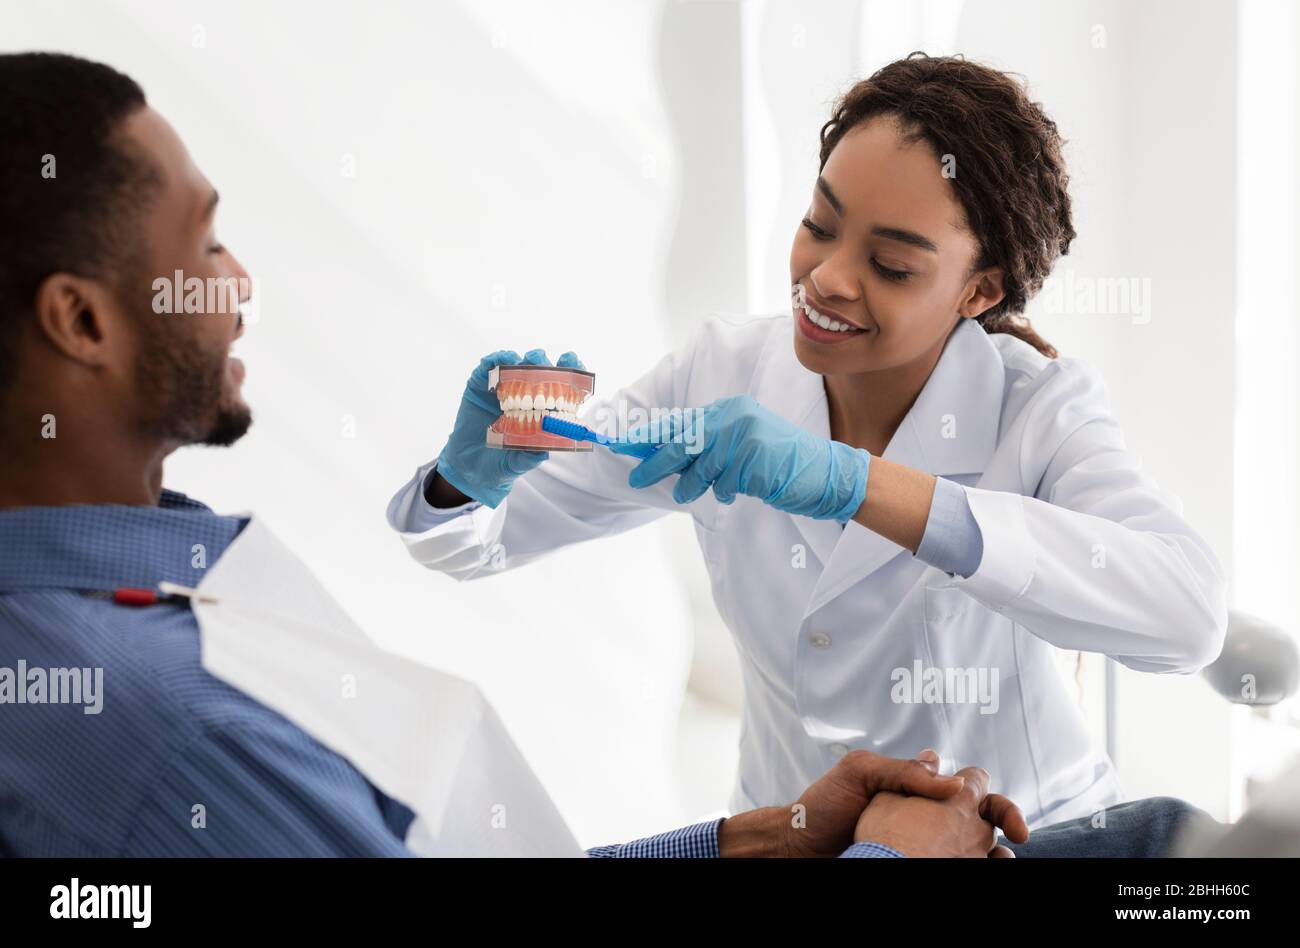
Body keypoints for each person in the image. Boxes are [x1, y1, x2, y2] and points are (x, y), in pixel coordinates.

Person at [0, 50, 1043, 859]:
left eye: (894, 261)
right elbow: (509, 521)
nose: (238, 284)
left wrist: (765, 837)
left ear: (979, 291)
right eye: (204, 244)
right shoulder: (166, 728)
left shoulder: (134, 580)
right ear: (81, 323)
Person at [391, 53, 1228, 829]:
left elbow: (1188, 620)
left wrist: (853, 483)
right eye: (819, 225)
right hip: (790, 832)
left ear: (980, 289)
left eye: (892, 266)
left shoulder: (1037, 411)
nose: (827, 277)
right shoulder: (721, 372)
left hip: (1016, 838)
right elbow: (480, 543)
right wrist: (468, 480)